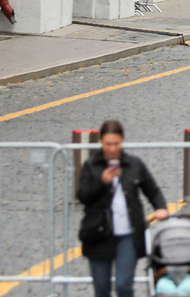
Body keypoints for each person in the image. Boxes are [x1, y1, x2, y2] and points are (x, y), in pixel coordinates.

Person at [77, 120, 169, 297]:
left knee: (123, 285)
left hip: (128, 234)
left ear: (123, 141)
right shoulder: (91, 166)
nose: (112, 148)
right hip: (99, 233)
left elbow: (152, 190)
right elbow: (83, 196)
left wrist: (161, 207)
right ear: (101, 143)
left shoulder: (134, 164)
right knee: (102, 288)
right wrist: (102, 182)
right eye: (108, 144)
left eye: (116, 144)